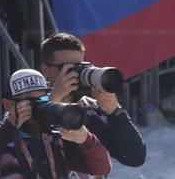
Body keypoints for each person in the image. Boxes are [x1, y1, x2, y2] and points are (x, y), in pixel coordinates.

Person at [0, 69, 111, 179]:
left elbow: (101, 169)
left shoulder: (56, 135)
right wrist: (8, 129)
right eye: (31, 102)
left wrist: (87, 140)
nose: (40, 107)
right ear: (8, 104)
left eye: (43, 99)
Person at [39, 32, 146, 168]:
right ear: (46, 69)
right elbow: (24, 148)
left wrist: (115, 112)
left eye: (79, 66)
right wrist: (54, 100)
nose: (75, 73)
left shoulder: (91, 111)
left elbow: (135, 158)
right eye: (67, 68)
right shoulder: (31, 105)